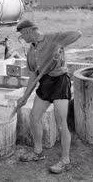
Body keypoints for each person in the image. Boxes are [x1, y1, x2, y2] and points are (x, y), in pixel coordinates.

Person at [15, 19, 82, 174]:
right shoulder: (31, 51)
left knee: (61, 121)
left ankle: (65, 161)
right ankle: (37, 152)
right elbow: (33, 75)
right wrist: (25, 96)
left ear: (29, 31)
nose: (22, 38)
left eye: (22, 35)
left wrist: (61, 46)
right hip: (45, 82)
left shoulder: (53, 38)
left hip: (60, 81)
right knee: (34, 116)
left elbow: (78, 33)